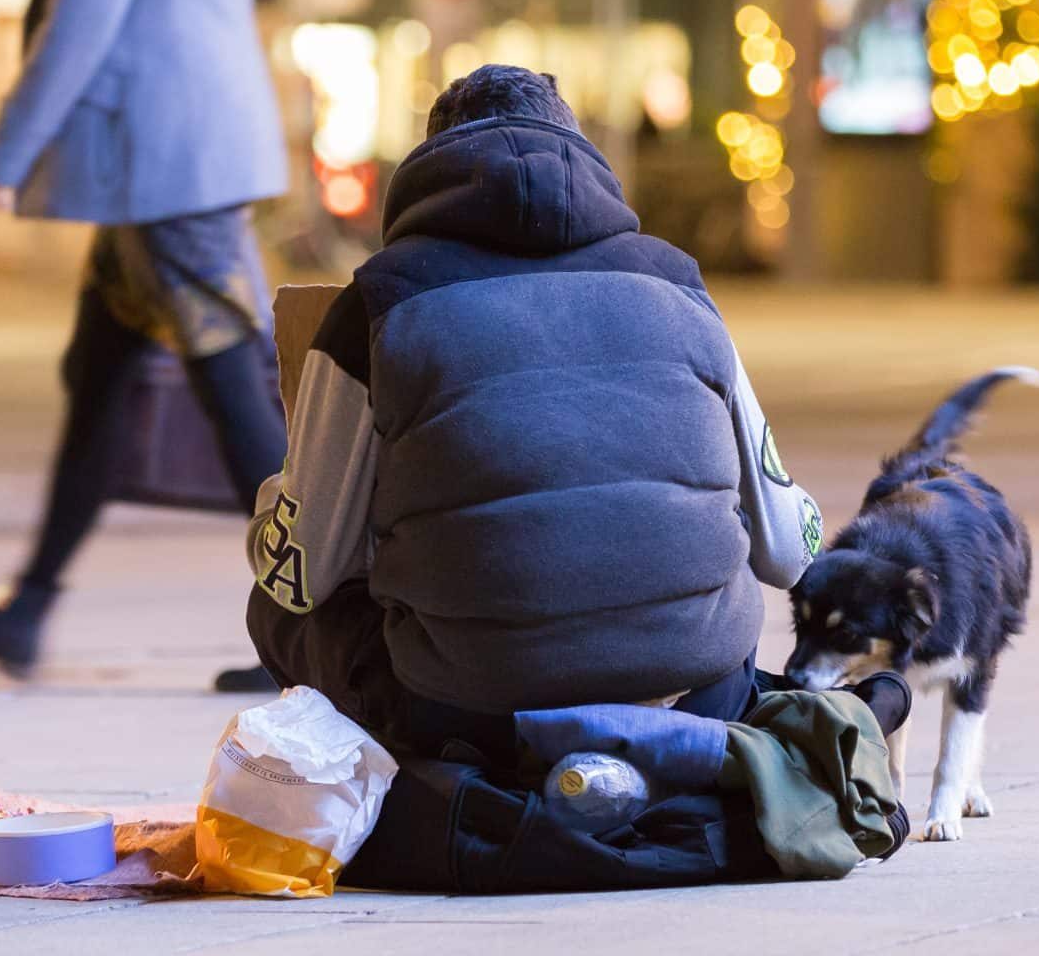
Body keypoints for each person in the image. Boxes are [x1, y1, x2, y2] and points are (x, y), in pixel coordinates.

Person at [243, 65, 908, 760]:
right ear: (581, 151)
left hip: (470, 713)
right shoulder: (677, 282)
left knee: (277, 611)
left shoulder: (377, 302)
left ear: (432, 165)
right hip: (702, 694)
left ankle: (430, 788)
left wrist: (278, 499)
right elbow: (788, 552)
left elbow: (303, 572)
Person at [0, 0, 287, 689]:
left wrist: (12, 143)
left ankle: (322, 629)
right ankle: (29, 605)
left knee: (237, 392)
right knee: (101, 376)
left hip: (161, 148)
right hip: (172, 141)